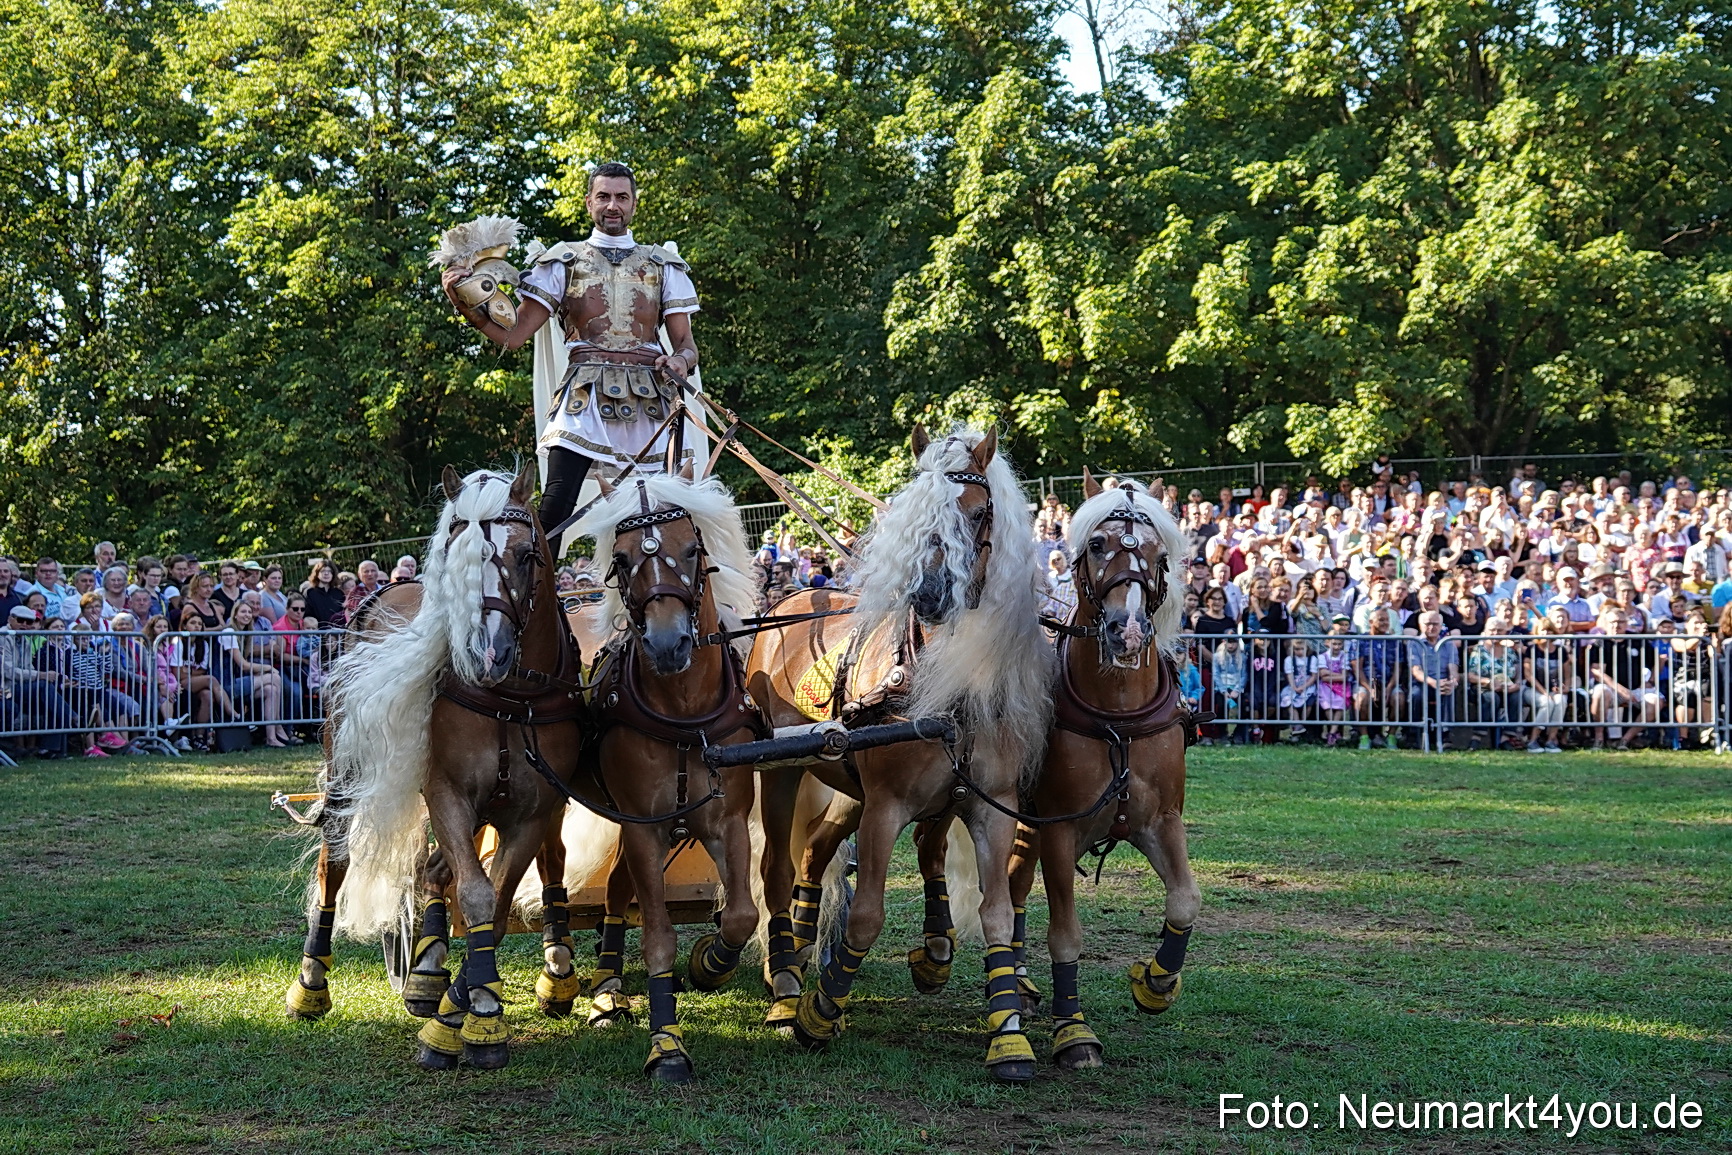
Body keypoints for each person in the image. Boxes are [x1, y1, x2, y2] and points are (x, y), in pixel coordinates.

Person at [442, 161, 703, 553]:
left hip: (652, 399)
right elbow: (514, 336)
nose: (612, 205)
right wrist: (462, 305)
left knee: (665, 511)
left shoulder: (662, 265)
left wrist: (681, 361)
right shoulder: (562, 262)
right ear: (589, 203)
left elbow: (686, 343)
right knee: (556, 506)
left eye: (621, 197)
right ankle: (535, 608)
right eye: (604, 197)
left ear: (634, 204)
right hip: (584, 398)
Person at [1406, 611, 1460, 750]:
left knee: (1449, 691)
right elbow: (1416, 671)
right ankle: (1414, 733)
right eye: (1428, 624)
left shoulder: (1448, 644)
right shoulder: (1414, 644)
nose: (1432, 627)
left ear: (1441, 625)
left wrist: (1452, 682)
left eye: (1435, 624)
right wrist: (1433, 682)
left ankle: (1445, 734)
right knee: (1416, 695)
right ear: (1420, 625)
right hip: (1422, 682)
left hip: (1442, 681)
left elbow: (1453, 668)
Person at [1280, 636, 1319, 743]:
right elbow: (1290, 674)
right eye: (1297, 649)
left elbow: (1313, 676)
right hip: (1294, 685)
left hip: (1308, 685)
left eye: (1302, 649)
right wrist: (1294, 687)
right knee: (1289, 701)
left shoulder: (1312, 659)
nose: (1300, 651)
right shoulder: (1289, 660)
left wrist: (1303, 687)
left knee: (1309, 704)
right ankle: (1297, 725)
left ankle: (1303, 723)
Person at [304, 560, 345, 628]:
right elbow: (307, 615)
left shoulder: (339, 594)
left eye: (329, 571)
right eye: (323, 571)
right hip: (317, 635)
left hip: (337, 634)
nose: (326, 573)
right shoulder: (309, 593)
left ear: (333, 574)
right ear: (317, 573)